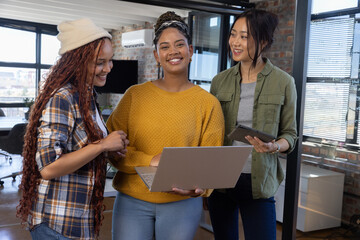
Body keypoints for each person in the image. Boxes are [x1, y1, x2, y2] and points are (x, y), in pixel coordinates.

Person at [106, 11, 225, 240]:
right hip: (132, 201)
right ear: (156, 55)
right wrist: (150, 160)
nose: (173, 52)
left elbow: (211, 162)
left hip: (182, 204)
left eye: (180, 45)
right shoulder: (134, 96)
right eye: (165, 46)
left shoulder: (209, 104)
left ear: (190, 51)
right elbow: (112, 149)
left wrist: (201, 187)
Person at [16, 18, 129, 239]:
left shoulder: (87, 95)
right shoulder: (63, 97)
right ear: (78, 62)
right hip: (57, 222)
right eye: (99, 62)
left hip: (77, 220)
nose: (108, 68)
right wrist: (102, 145)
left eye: (110, 60)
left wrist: (106, 151)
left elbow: (80, 148)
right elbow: (49, 167)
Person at [207, 9, 298, 240]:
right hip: (221, 180)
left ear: (264, 41)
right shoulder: (219, 82)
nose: (235, 42)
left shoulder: (284, 82)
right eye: (233, 34)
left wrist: (275, 146)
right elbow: (211, 131)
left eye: (244, 36)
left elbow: (290, 134)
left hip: (259, 182)